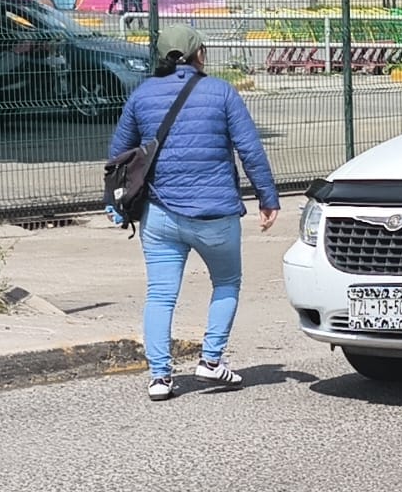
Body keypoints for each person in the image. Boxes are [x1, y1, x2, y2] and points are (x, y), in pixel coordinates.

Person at [109, 25, 281, 401]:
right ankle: (211, 360)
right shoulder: (221, 92)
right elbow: (250, 149)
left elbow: (118, 156)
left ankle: (159, 377)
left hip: (160, 214)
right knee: (227, 282)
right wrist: (267, 198)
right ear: (198, 54)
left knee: (160, 294)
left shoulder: (141, 96)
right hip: (214, 214)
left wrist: (115, 205)